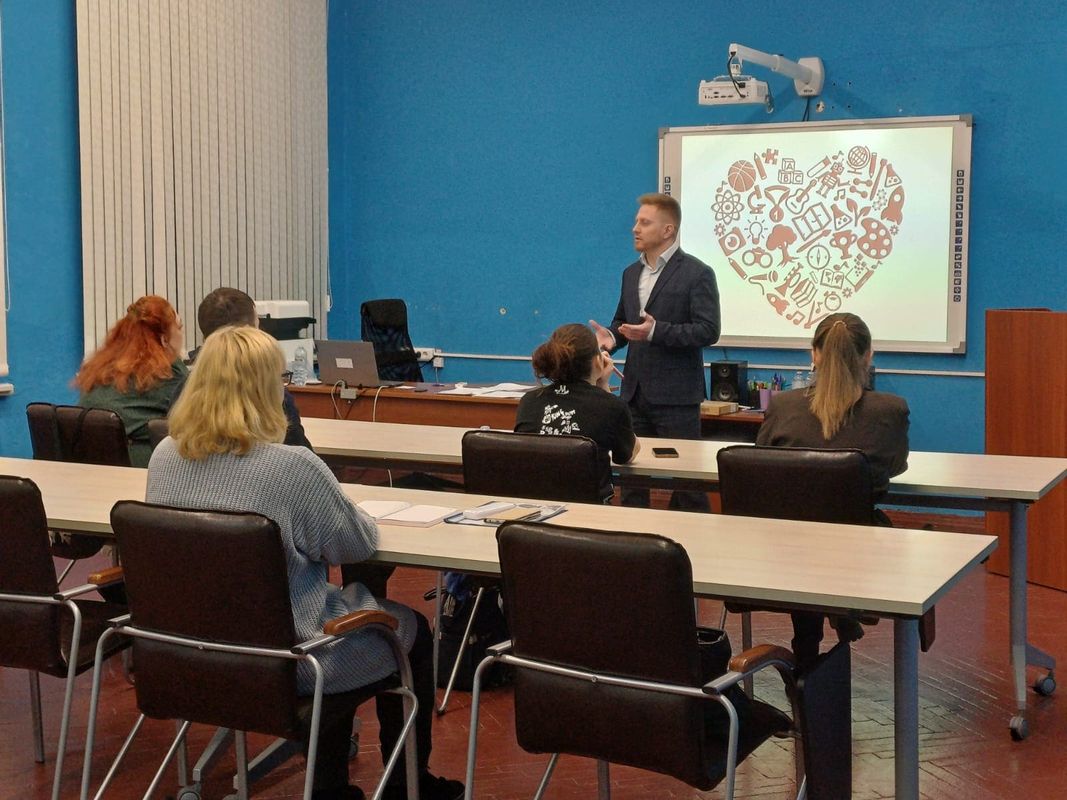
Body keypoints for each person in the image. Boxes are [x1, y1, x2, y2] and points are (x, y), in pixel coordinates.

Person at [147, 326, 463, 800]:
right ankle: (406, 786)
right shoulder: (293, 467)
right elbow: (355, 546)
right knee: (402, 629)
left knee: (337, 612)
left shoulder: (164, 456)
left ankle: (331, 787)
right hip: (292, 660)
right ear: (265, 389)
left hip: (189, 651)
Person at [756, 312, 911, 667]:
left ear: (814, 354)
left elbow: (761, 462)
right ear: (868, 355)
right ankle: (840, 611)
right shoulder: (891, 410)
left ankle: (809, 642)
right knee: (828, 541)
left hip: (786, 548)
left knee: (808, 541)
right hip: (861, 549)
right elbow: (894, 467)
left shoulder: (782, 406)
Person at [590, 192, 720, 510]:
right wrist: (612, 338)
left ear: (667, 230)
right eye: (637, 221)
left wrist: (655, 331)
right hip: (634, 394)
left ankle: (694, 535)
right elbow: (624, 322)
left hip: (677, 397)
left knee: (688, 482)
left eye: (644, 223)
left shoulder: (697, 273)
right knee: (632, 478)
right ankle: (635, 537)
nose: (635, 228)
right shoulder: (630, 273)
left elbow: (708, 330)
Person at [515, 322, 640, 501]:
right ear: (597, 361)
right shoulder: (611, 406)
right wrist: (603, 385)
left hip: (536, 505)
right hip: (589, 509)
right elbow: (627, 455)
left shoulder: (529, 402)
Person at [188, 286, 312, 449]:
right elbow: (300, 452)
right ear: (250, 335)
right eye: (258, 325)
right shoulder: (271, 392)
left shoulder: (183, 391)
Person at [74, 295, 188, 467]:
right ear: (164, 340)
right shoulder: (169, 375)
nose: (182, 334)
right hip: (141, 469)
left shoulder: (100, 370)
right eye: (179, 328)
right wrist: (177, 358)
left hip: (88, 467)